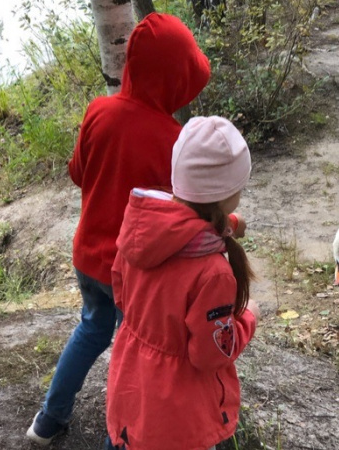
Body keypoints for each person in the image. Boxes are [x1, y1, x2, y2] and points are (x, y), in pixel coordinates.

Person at [26, 13, 215, 445]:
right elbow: (180, 216)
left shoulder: (99, 111)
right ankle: (121, 438)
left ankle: (48, 420)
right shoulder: (173, 141)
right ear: (175, 81)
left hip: (86, 257)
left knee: (91, 328)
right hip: (131, 273)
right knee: (135, 355)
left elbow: (78, 173)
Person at [104, 116, 259, 450]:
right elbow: (211, 353)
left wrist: (229, 223)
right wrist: (247, 319)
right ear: (227, 195)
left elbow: (119, 286)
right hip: (178, 414)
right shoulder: (213, 273)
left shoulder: (141, 230)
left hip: (131, 385)